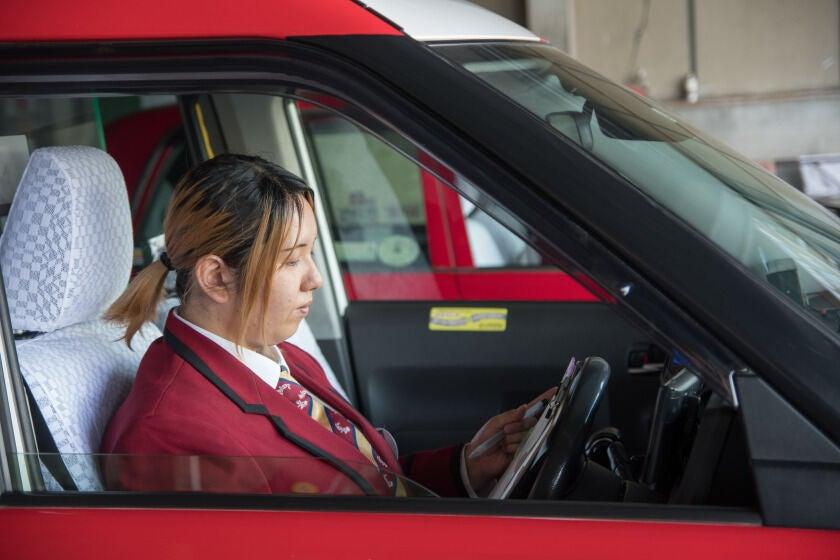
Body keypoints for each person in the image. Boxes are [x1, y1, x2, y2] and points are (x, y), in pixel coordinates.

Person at [101, 154, 551, 497]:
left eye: (310, 254)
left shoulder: (275, 357)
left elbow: (361, 484)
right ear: (217, 277)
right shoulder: (169, 438)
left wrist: (464, 469)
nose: (314, 277)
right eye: (292, 259)